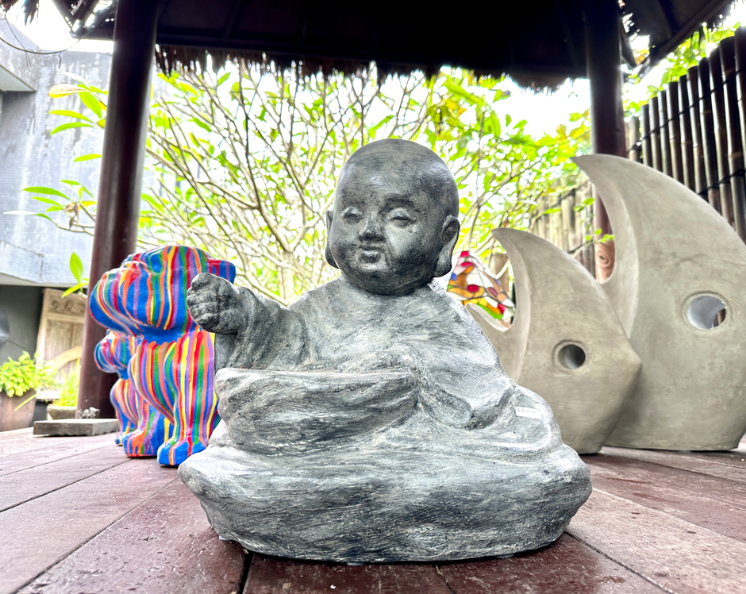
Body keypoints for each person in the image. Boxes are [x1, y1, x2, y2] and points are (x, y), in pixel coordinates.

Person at [180, 139, 591, 563]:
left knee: (526, 448)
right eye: (352, 215)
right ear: (330, 225)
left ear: (444, 239)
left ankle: (356, 498)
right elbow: (277, 341)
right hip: (319, 440)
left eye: (398, 218)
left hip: (423, 451)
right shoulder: (317, 308)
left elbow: (480, 398)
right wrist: (241, 316)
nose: (369, 231)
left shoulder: (442, 317)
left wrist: (401, 372)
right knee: (245, 435)